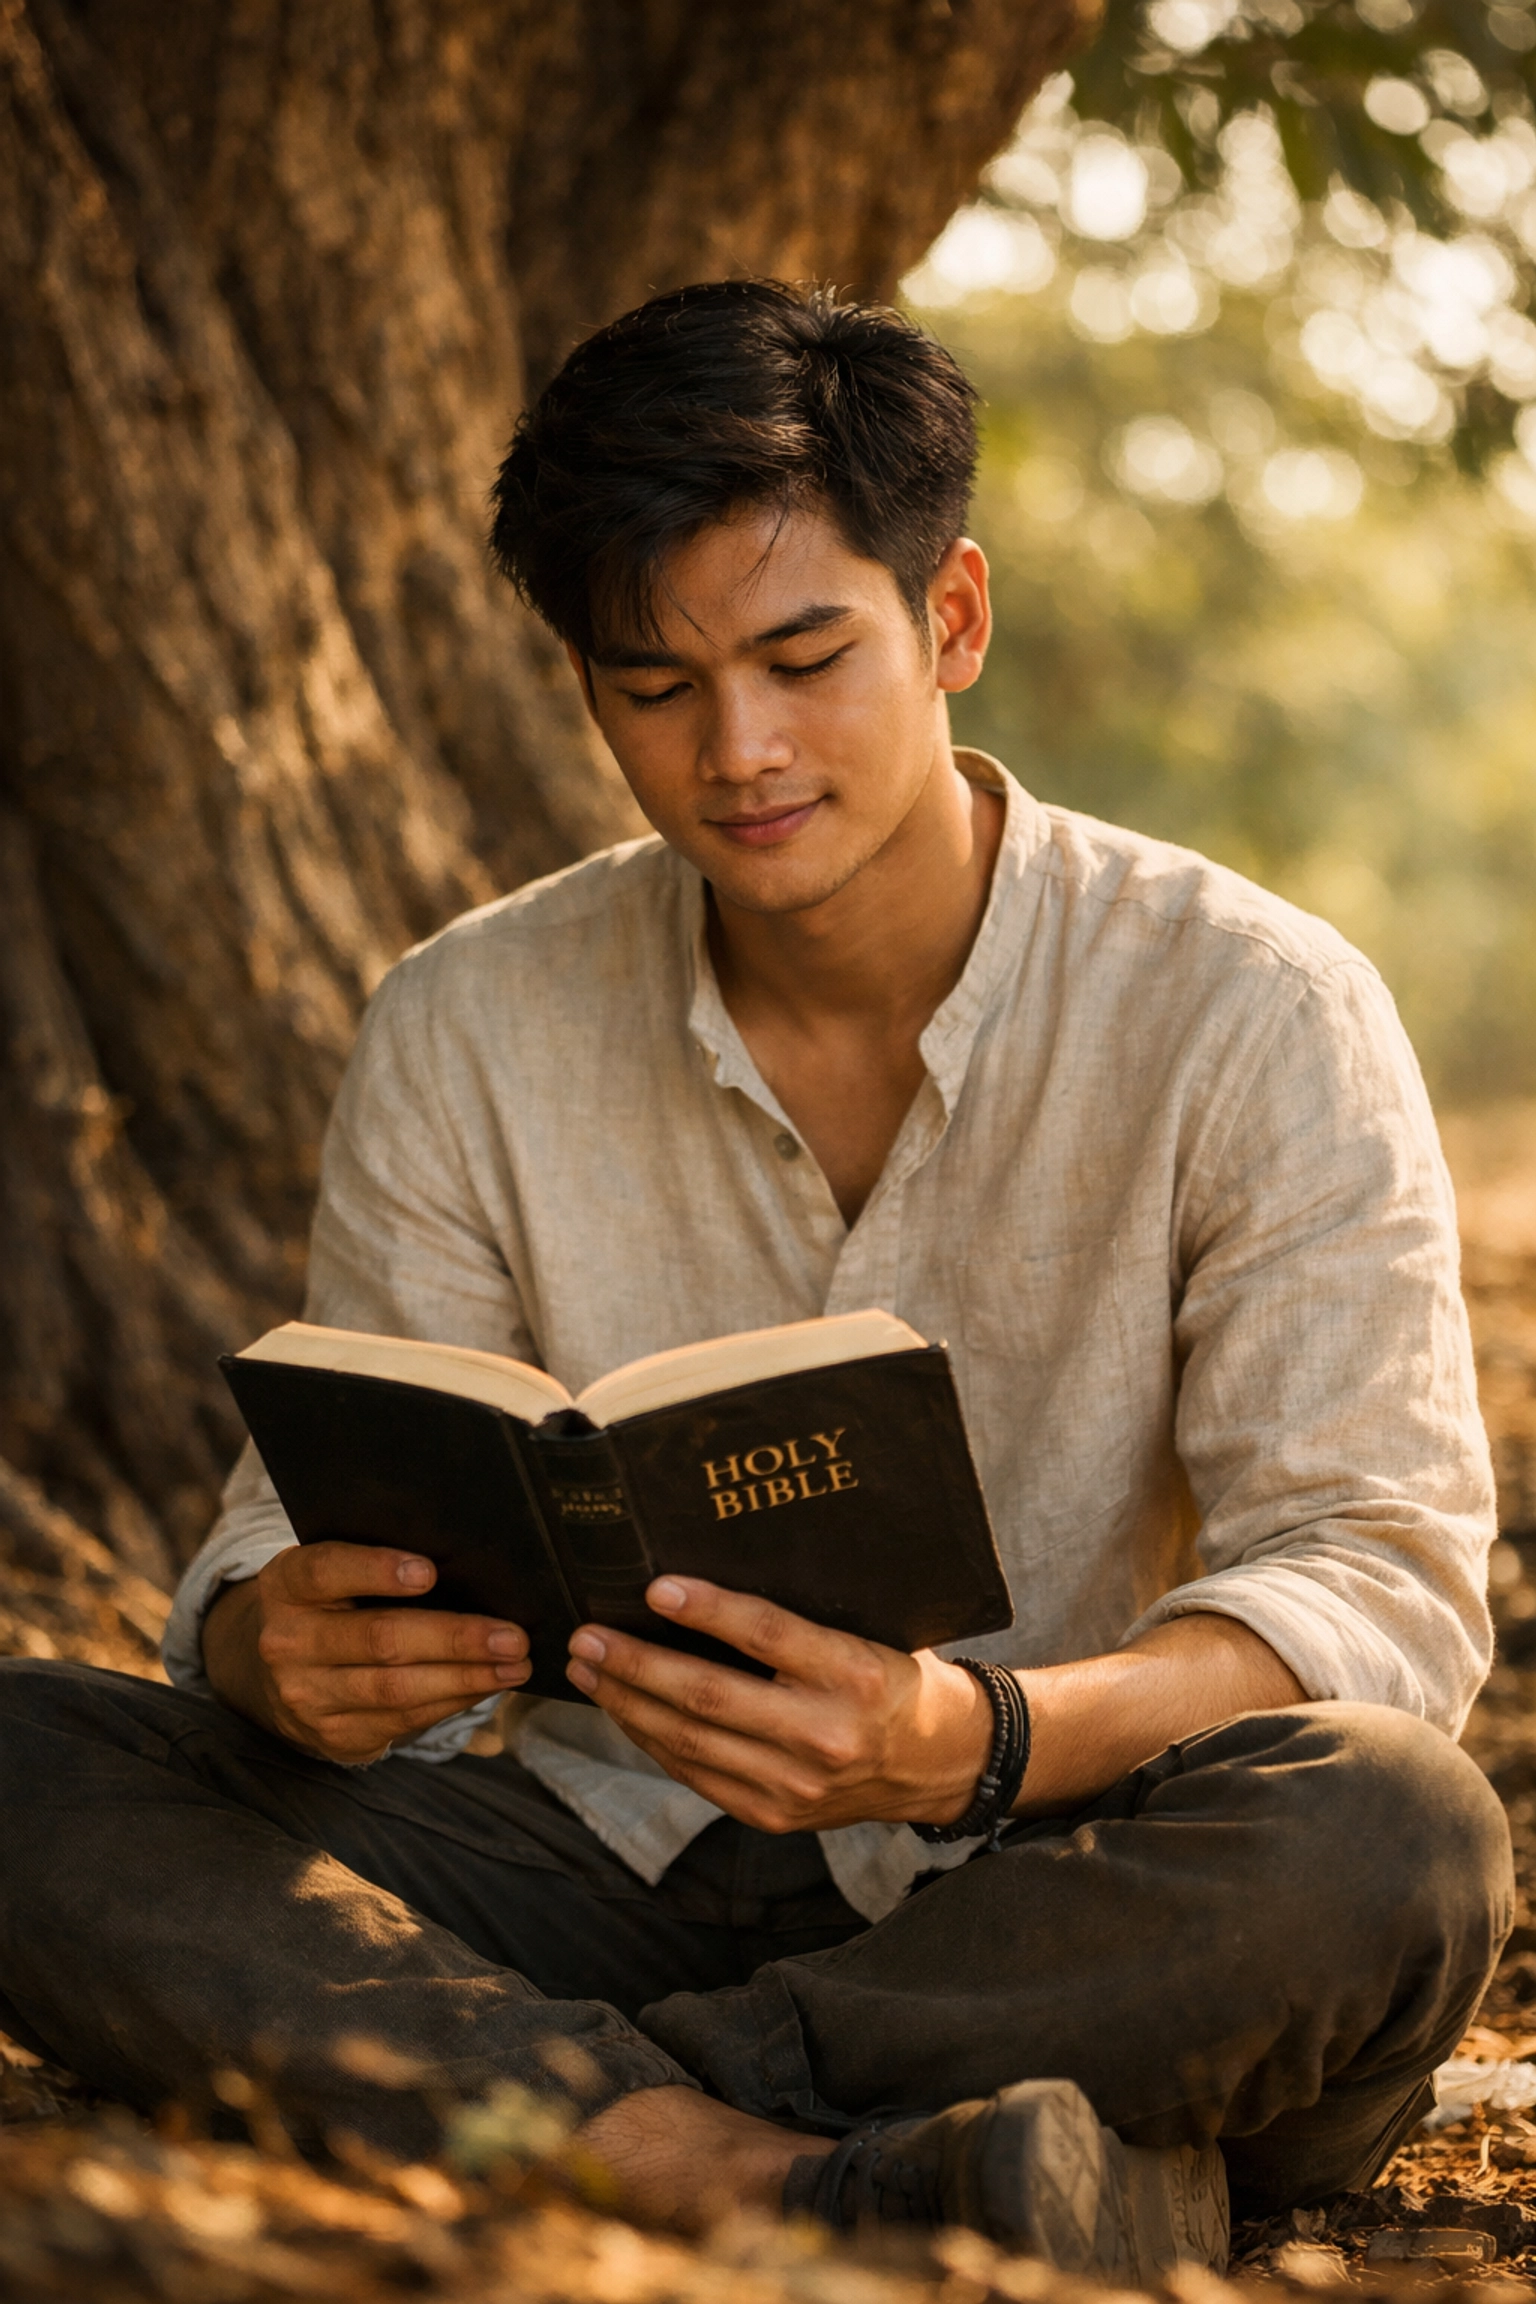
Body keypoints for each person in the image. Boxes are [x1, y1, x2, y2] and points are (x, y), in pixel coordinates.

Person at [0, 281, 1511, 2276]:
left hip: (1061, 1867)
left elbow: (1370, 1581)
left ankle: (595, 2118)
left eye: (807, 658)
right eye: (654, 685)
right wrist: (275, 1640)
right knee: (30, 1763)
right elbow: (319, 1503)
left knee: (1391, 1837)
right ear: (586, 686)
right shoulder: (469, 1026)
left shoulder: (1254, 1008)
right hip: (599, 1853)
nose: (739, 751)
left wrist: (959, 1739)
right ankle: (946, 2170)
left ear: (952, 616)